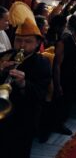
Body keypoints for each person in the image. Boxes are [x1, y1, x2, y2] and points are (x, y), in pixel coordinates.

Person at [0, 17, 51, 158]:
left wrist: (23, 84)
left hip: (23, 120)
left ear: (37, 43)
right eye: (18, 40)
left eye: (28, 41)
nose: (22, 45)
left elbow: (41, 94)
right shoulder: (5, 56)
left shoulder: (42, 63)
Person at [53, 20, 76, 135]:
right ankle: (57, 124)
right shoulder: (65, 41)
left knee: (68, 102)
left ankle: (61, 122)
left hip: (74, 78)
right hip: (64, 77)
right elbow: (57, 65)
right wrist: (58, 84)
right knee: (60, 103)